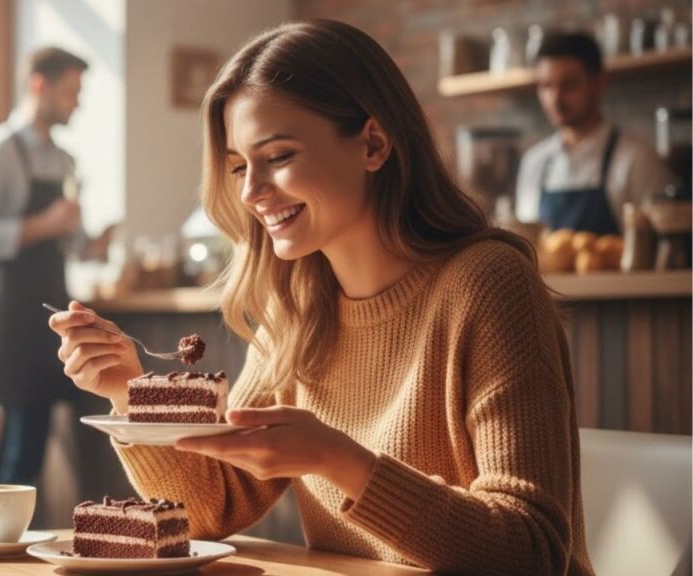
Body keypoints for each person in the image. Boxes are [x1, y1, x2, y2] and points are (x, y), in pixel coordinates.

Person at [49, 19, 594, 576]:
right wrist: (125, 388)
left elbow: (533, 551)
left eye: (278, 156)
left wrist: (342, 462)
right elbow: (212, 509)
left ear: (374, 145)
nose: (250, 192)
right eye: (239, 167)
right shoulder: (298, 308)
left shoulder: (488, 284)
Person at [0, 46, 113, 486]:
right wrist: (41, 224)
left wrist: (93, 243)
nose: (77, 104)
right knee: (15, 445)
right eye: (70, 92)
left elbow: (72, 243)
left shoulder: (64, 161)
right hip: (12, 318)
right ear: (38, 86)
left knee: (44, 442)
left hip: (53, 312)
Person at [516, 30, 672, 235]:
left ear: (598, 84)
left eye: (569, 85)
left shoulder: (636, 160)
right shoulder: (534, 162)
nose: (555, 99)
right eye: (546, 86)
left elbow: (659, 251)